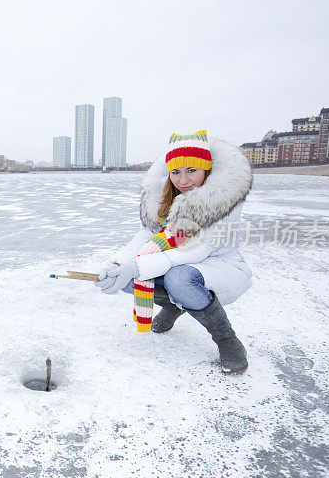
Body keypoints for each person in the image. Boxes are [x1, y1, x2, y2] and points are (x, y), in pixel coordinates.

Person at [95, 130, 253, 374]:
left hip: (219, 263)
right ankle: (175, 306)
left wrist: (138, 266)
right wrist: (117, 265)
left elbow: (198, 250)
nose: (183, 180)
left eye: (192, 170)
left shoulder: (222, 199)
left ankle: (227, 339)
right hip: (175, 262)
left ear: (206, 170)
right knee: (126, 280)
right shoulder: (164, 199)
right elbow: (145, 237)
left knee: (177, 278)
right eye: (176, 172)